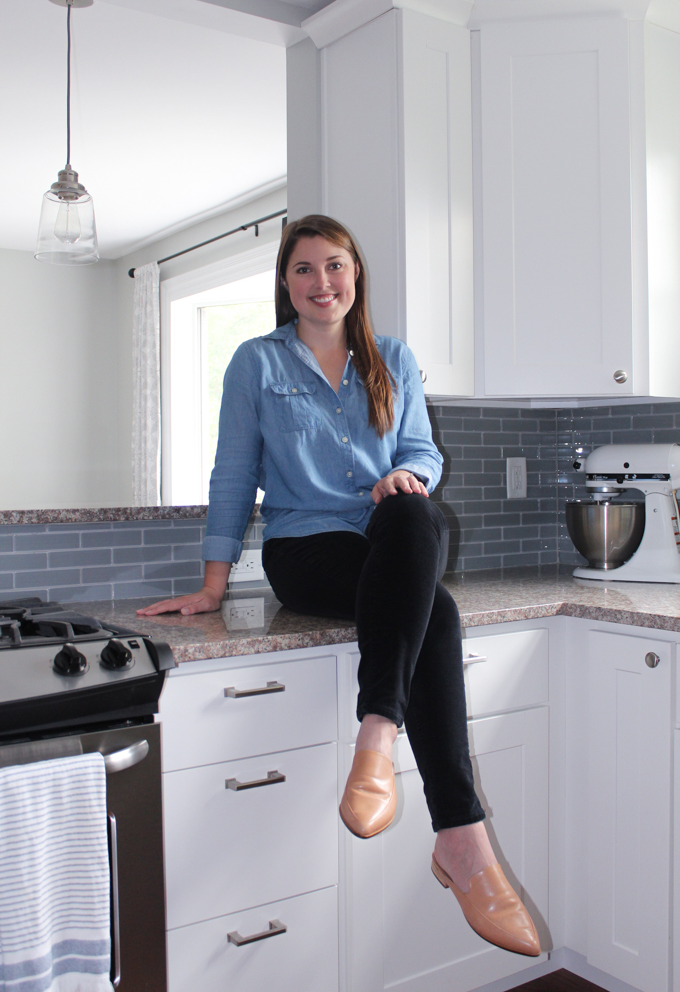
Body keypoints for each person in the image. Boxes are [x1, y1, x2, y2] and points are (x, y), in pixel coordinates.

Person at [138, 215, 540, 957]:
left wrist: (405, 475)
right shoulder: (256, 364)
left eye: (335, 266)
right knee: (438, 615)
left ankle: (382, 743)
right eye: (304, 269)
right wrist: (213, 584)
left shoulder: (392, 357)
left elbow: (420, 448)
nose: (322, 283)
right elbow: (234, 476)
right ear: (285, 284)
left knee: (415, 512)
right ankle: (461, 838)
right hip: (307, 549)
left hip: (388, 536)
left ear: (356, 275)